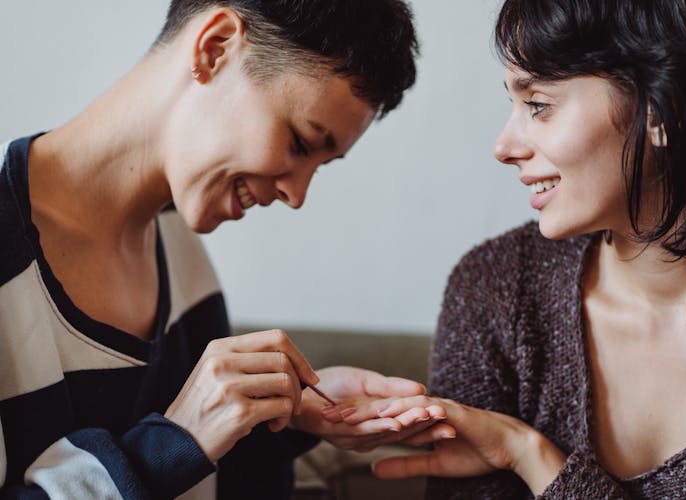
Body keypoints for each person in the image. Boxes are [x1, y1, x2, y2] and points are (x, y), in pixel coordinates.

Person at [0, 1, 445, 499]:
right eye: (300, 143)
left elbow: (201, 480)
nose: (296, 196)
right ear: (215, 48)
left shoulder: (180, 252)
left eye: (322, 164)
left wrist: (282, 415)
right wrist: (176, 442)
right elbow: (171, 448)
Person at [327, 0, 686, 497]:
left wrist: (528, 454)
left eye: (539, 105)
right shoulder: (501, 291)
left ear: (666, 108)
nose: (504, 146)